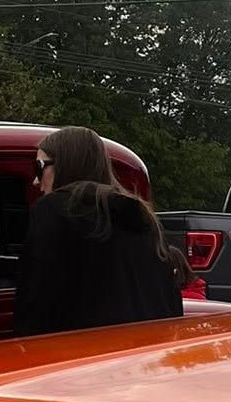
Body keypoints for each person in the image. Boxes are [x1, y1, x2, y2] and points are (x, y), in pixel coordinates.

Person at [14, 127, 186, 337]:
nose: (35, 180)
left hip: (81, 356)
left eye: (39, 167)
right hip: (143, 354)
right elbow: (167, 298)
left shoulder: (52, 211)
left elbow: (36, 300)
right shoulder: (142, 216)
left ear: (65, 165)